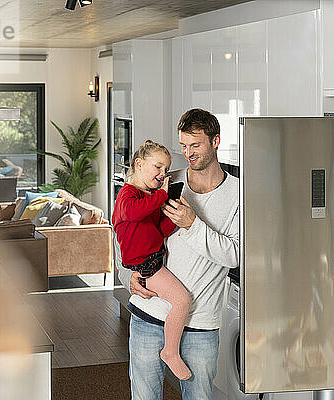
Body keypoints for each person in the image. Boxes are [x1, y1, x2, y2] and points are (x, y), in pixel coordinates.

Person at [117, 109, 239, 400]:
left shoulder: (238, 194)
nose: (188, 153)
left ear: (216, 141)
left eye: (195, 145)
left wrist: (192, 224)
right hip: (149, 314)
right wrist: (127, 277)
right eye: (183, 146)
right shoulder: (166, 182)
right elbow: (124, 232)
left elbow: (234, 255)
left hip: (200, 324)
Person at [112, 140, 192, 380]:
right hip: (146, 266)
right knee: (182, 300)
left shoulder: (150, 198)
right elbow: (133, 213)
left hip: (154, 260)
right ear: (138, 164)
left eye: (166, 170)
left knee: (180, 300)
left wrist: (175, 214)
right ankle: (170, 352)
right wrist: (161, 195)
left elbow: (160, 231)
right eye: (158, 167)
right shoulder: (128, 195)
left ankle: (170, 350)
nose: (162, 174)